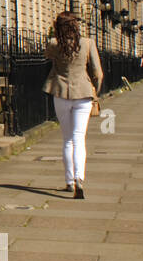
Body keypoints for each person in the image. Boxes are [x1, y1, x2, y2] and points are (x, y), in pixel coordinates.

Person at [44, 11, 103, 200]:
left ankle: (69, 181)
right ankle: (80, 178)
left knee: (67, 139)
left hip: (60, 92)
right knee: (79, 138)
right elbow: (98, 73)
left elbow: (47, 56)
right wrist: (96, 90)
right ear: (76, 25)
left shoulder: (54, 44)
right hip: (83, 93)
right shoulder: (87, 43)